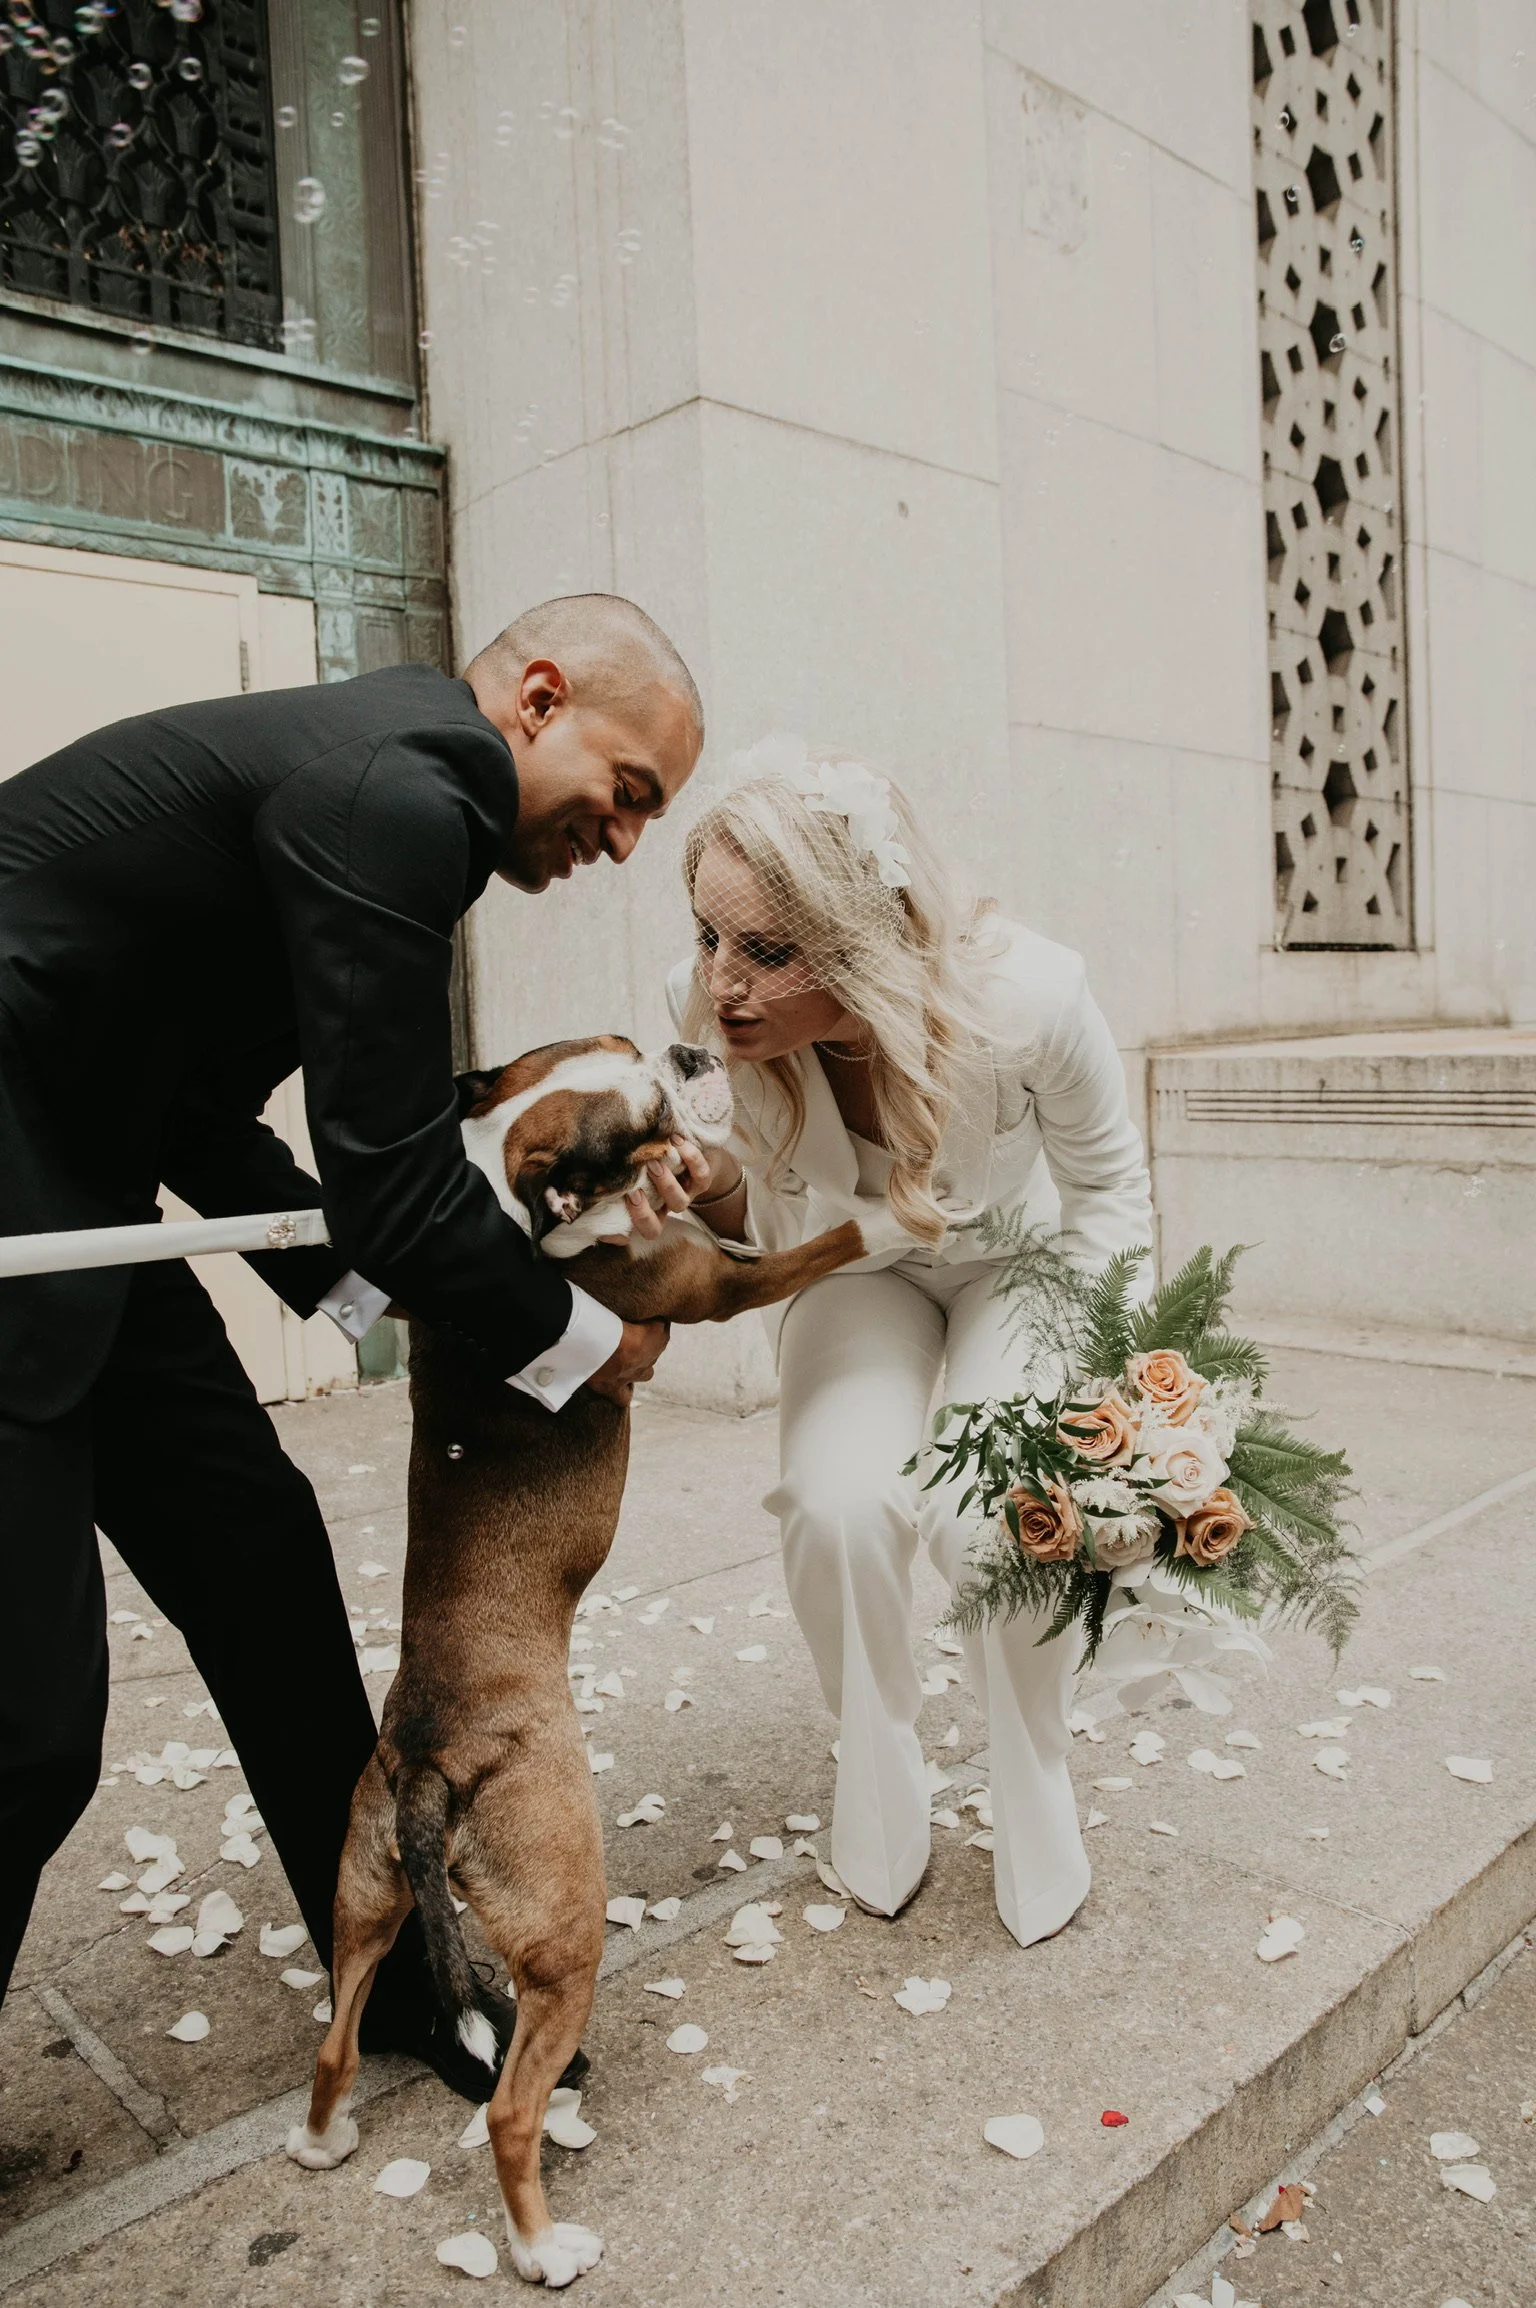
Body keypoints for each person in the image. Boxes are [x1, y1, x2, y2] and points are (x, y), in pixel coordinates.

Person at [0, 593, 710, 2085]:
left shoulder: (380, 776)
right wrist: (585, 1341)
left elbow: (202, 1110)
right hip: (16, 1194)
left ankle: (386, 1977)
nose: (627, 842)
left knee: (255, 1547)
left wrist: (381, 1299)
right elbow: (393, 1186)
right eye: (630, 792)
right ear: (534, 698)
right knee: (30, 1732)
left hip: (74, 1170)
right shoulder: (408, 789)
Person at [667, 737, 1154, 1946]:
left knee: (985, 1514)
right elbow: (765, 1227)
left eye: (765, 950)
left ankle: (1030, 1769)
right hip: (854, 1273)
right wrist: (713, 1192)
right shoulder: (705, 1026)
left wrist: (1113, 1379)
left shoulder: (1030, 997)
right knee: (836, 1504)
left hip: (1020, 1264)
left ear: (861, 936)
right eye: (706, 935)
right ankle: (875, 1771)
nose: (720, 982)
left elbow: (1110, 1194)